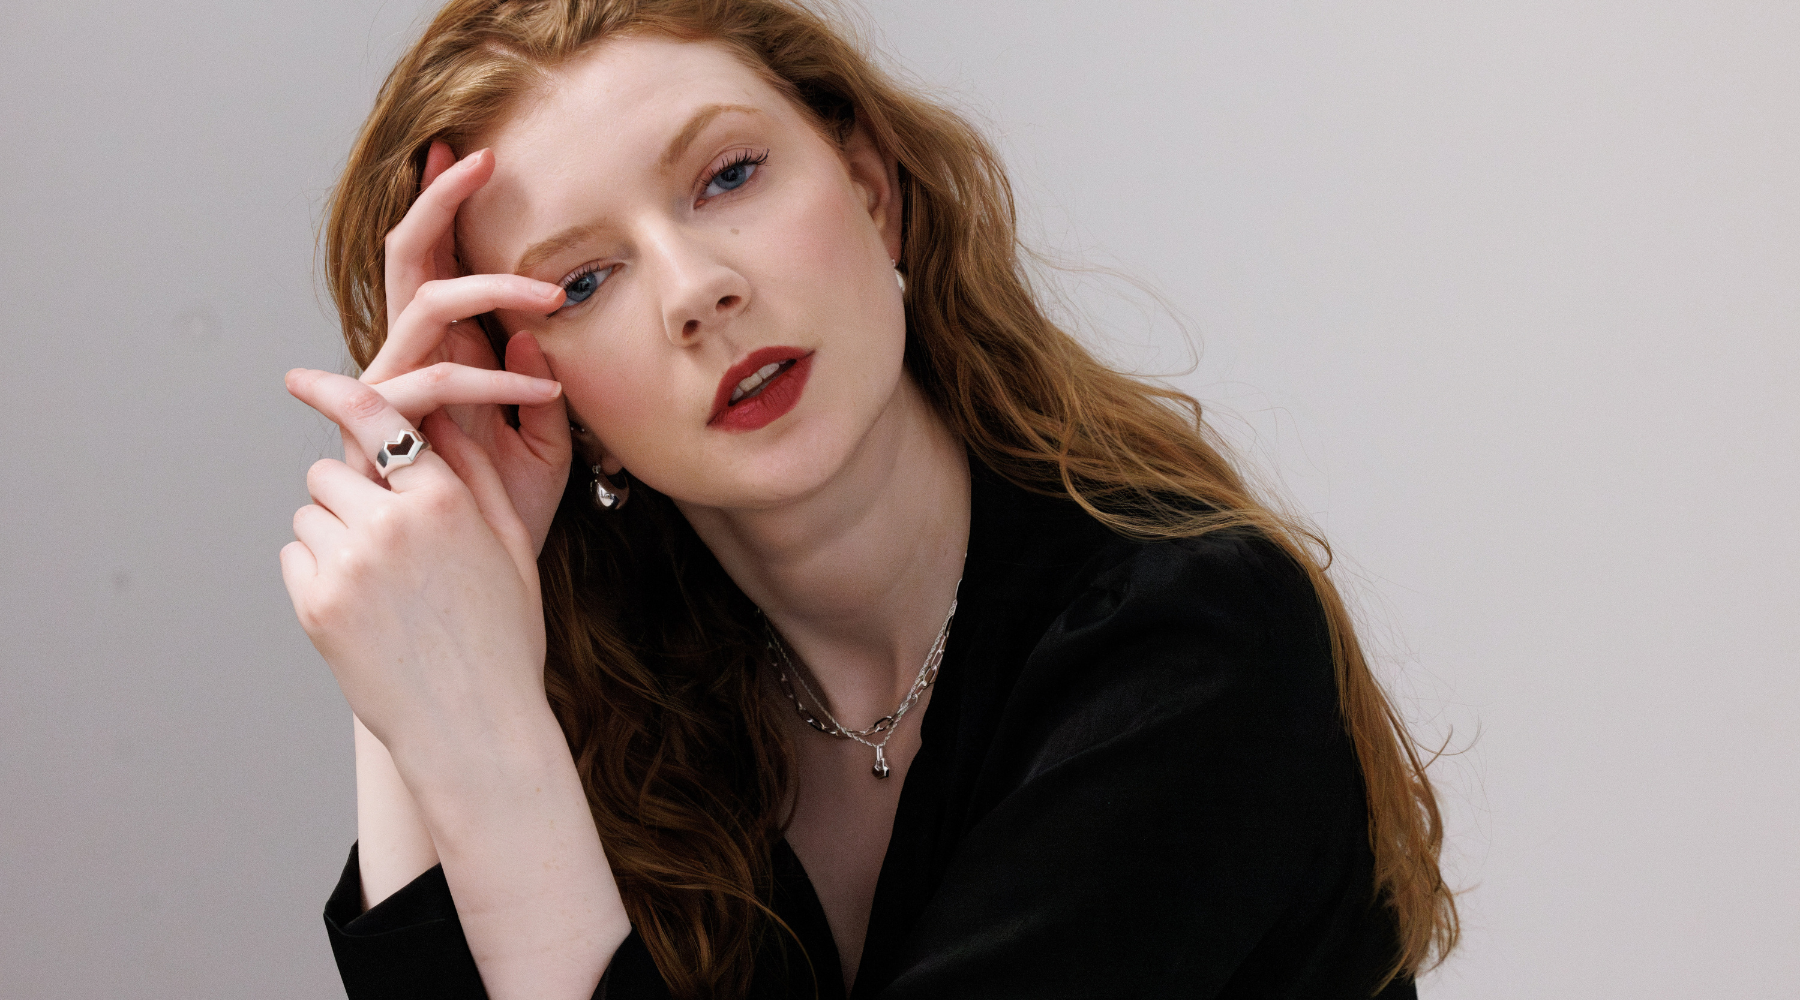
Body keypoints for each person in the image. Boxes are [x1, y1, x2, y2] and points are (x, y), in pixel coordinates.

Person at [280, 1, 1458, 997]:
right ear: (531, 386)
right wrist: (424, 563)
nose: (698, 291)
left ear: (870, 188)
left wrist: (479, 736)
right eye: (583, 280)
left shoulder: (1192, 641)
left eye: (727, 176)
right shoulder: (627, 707)